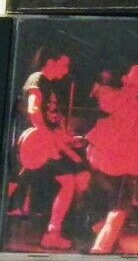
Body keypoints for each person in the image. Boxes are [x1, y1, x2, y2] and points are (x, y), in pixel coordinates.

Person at [14, 48, 89, 250]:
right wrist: (52, 141)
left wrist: (68, 141)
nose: (66, 70)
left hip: (47, 144)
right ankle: (52, 233)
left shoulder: (51, 86)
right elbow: (34, 110)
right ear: (50, 62)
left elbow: (53, 122)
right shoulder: (37, 78)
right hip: (36, 144)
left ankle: (56, 231)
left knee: (74, 179)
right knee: (68, 181)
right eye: (63, 64)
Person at [84, 63, 138, 255]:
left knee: (118, 209)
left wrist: (137, 156)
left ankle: (101, 248)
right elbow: (107, 105)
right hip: (100, 159)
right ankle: (108, 242)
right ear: (126, 79)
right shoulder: (111, 94)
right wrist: (130, 90)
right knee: (94, 208)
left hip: (125, 165)